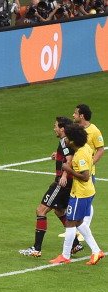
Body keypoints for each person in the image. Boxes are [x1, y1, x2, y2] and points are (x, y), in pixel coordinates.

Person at [19, 117, 83, 257]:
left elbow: (70, 160)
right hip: (68, 183)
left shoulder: (64, 141)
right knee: (59, 211)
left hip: (62, 183)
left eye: (55, 126)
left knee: (41, 210)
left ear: (62, 129)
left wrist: (64, 176)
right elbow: (67, 156)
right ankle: (76, 244)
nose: (54, 128)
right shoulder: (67, 141)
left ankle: (36, 249)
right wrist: (58, 156)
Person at [49, 124, 104, 265]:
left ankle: (65, 256)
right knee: (79, 222)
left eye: (67, 137)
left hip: (81, 193)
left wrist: (68, 169)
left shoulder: (80, 154)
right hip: (86, 191)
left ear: (72, 140)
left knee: (70, 222)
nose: (65, 139)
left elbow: (85, 176)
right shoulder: (84, 147)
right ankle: (96, 251)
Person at [73, 104, 104, 229]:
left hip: (87, 172)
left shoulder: (94, 130)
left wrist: (90, 164)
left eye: (75, 113)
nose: (73, 115)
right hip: (76, 171)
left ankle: (84, 228)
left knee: (86, 201)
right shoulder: (75, 129)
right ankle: (74, 228)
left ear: (82, 116)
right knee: (76, 199)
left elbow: (100, 149)